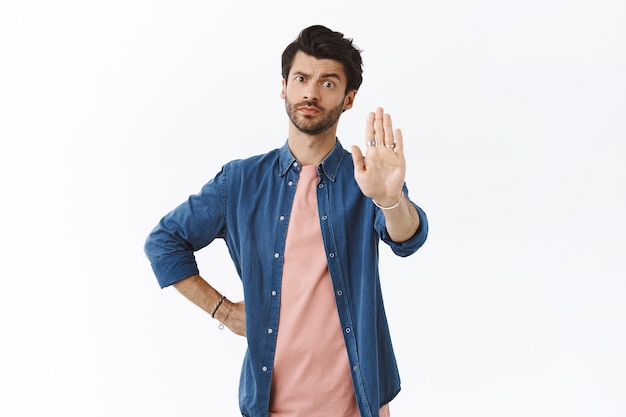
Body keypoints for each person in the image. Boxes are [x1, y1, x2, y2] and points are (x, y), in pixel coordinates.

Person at [144, 24, 429, 417]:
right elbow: (165, 240)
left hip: (357, 404)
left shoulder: (367, 177)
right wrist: (223, 310)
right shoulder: (240, 182)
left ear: (349, 99)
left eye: (328, 83)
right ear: (284, 87)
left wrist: (390, 200)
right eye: (301, 78)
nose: (311, 92)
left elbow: (407, 238)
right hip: (270, 405)